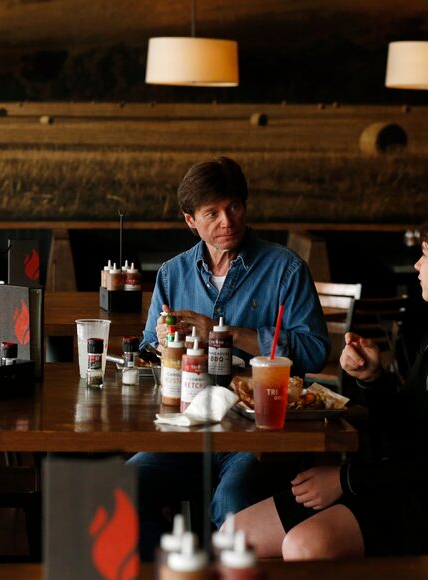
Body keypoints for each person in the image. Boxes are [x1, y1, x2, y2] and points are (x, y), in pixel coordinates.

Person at [232, 205, 428, 561]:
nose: (417, 266)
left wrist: (346, 480)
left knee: (304, 546)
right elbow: (406, 422)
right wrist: (373, 378)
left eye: (425, 255)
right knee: (237, 534)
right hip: (394, 481)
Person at [129, 156, 330, 559]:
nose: (227, 221)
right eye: (212, 213)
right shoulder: (172, 274)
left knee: (233, 506)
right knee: (115, 493)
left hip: (256, 434)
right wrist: (167, 344)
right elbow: (150, 352)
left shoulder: (286, 269)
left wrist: (225, 333)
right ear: (191, 221)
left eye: (234, 207)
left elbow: (315, 351)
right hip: (183, 431)